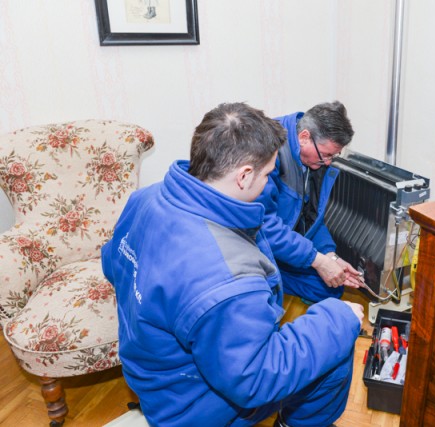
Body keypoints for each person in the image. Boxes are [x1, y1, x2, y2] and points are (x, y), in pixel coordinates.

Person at [101, 102, 364, 427]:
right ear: (244, 176)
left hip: (151, 374)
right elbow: (255, 380)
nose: (268, 184)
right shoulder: (228, 275)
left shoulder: (145, 199)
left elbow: (111, 265)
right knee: (335, 347)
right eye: (267, 174)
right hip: (189, 404)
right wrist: (338, 318)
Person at [255, 101, 363, 304]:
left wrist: (330, 256)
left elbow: (310, 216)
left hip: (281, 243)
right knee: (269, 300)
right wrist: (316, 260)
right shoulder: (266, 151)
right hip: (256, 245)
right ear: (304, 137)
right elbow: (263, 226)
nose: (328, 162)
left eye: (334, 156)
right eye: (327, 155)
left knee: (331, 287)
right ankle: (265, 277)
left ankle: (274, 276)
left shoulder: (311, 160)